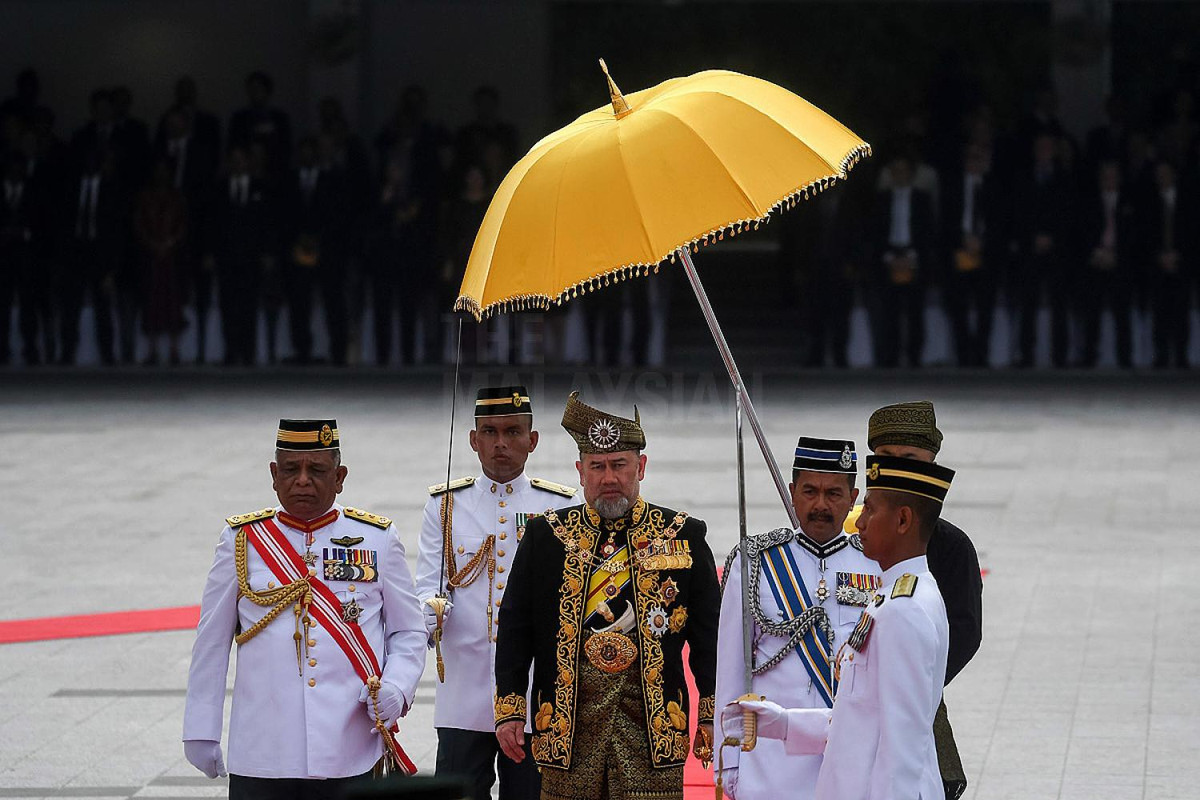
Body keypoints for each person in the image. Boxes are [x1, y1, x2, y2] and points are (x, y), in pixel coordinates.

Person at [494, 392, 720, 800]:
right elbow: (515, 628)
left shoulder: (683, 534)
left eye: (619, 465)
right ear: (580, 472)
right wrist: (509, 709)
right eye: (597, 466)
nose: (609, 478)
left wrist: (710, 710)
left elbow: (710, 636)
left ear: (641, 467)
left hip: (652, 733)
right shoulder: (547, 536)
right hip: (566, 732)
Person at [183, 419, 427, 798]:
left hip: (349, 749)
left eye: (316, 470)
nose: (302, 481)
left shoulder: (377, 539)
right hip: (263, 750)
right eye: (290, 469)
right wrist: (201, 728)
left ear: (339, 477)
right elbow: (211, 644)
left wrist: (398, 686)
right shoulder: (242, 540)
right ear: (273, 475)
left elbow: (408, 630)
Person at [722, 454, 955, 800]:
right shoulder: (896, 596)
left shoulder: (903, 611)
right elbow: (861, 719)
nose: (859, 522)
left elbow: (901, 748)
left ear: (903, 520)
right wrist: (784, 723)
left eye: (870, 510)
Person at [415, 386, 578, 800]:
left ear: (532, 440)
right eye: (489, 432)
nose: (500, 443)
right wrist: (430, 609)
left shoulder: (560, 506)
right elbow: (428, 583)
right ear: (473, 440)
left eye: (512, 432)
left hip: (533, 692)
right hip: (464, 692)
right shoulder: (446, 505)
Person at [715, 437, 880, 799]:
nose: (820, 505)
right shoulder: (755, 561)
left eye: (833, 494)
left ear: (853, 497)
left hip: (848, 750)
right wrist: (728, 761)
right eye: (810, 491)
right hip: (771, 761)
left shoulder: (875, 563)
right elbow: (731, 667)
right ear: (792, 493)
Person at [847, 401, 982, 800]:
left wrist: (910, 681)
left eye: (909, 460)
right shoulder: (847, 535)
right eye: (885, 458)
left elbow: (965, 632)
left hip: (911, 704)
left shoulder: (952, 547)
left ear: (931, 463)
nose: (896, 469)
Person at [869, 154, 936, 368]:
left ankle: (914, 357)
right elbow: (875, 232)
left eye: (904, 171)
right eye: (895, 171)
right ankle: (891, 357)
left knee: (915, 311)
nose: (899, 175)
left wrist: (912, 257)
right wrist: (889, 257)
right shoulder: (882, 199)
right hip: (889, 257)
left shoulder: (921, 199)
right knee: (890, 311)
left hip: (914, 256)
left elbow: (928, 231)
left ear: (911, 174)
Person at [1079, 160, 1136, 368]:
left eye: (1113, 176)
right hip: (1096, 262)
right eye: (1105, 176)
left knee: (1122, 313)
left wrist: (1116, 255)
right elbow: (1082, 231)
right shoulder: (1090, 202)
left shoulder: (1129, 202)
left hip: (1120, 265)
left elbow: (1135, 235)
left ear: (1119, 178)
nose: (1109, 180)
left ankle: (1125, 358)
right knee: (1091, 312)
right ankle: (1089, 357)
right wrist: (1096, 252)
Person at [132, 158, 188, 365]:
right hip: (151, 256)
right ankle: (152, 350)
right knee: (152, 301)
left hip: (171, 258)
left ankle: (174, 350)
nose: (161, 174)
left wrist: (170, 243)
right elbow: (139, 224)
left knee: (172, 301)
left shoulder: (176, 197)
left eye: (165, 170)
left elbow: (182, 224)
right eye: (158, 170)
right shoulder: (145, 197)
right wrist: (152, 244)